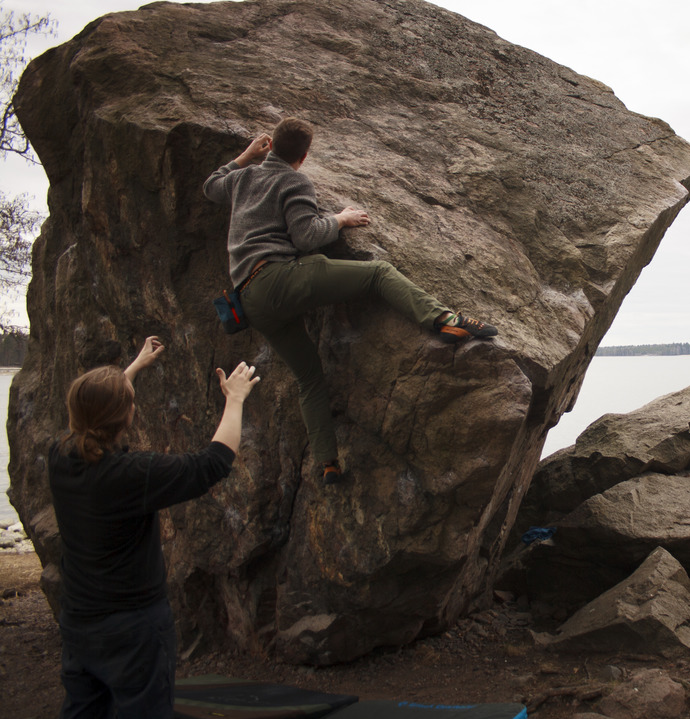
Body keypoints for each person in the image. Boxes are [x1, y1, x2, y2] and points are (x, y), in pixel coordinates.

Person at [203, 117, 497, 485]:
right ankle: (445, 319)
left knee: (309, 377)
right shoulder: (294, 180)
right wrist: (340, 219)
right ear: (304, 156)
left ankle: (327, 463)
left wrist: (245, 156)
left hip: (250, 301)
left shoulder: (244, 176)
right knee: (379, 274)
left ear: (271, 146)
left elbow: (211, 187)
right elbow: (307, 236)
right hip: (281, 278)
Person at [49, 336, 260, 719]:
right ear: (127, 416)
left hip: (79, 621)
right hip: (132, 629)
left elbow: (94, 412)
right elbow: (211, 464)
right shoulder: (131, 475)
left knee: (83, 713)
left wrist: (132, 368)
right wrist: (235, 399)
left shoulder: (60, 455)